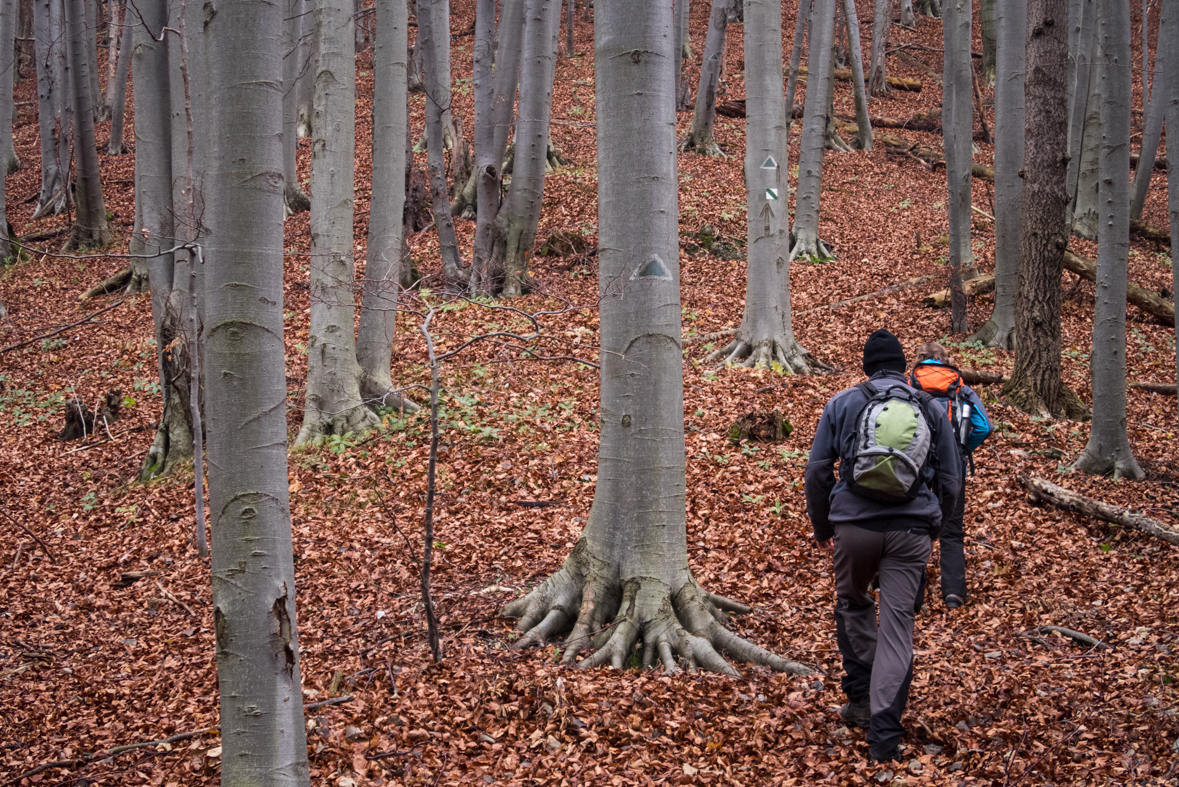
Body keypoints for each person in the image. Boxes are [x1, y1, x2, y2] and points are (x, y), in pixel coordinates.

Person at [805, 329, 963, 763]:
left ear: (866, 366)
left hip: (853, 526)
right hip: (912, 530)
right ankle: (884, 738)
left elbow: (818, 471)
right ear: (903, 367)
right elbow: (950, 482)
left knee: (853, 604)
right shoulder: (930, 408)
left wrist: (823, 528)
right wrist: (935, 527)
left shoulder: (842, 403)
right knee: (898, 627)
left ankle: (859, 701)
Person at [909, 342, 992, 610]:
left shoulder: (909, 386)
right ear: (944, 359)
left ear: (919, 359)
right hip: (953, 466)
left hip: (916, 466)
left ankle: (914, 595)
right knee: (952, 531)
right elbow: (983, 426)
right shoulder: (960, 388)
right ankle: (953, 593)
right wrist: (962, 447)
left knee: (914, 526)